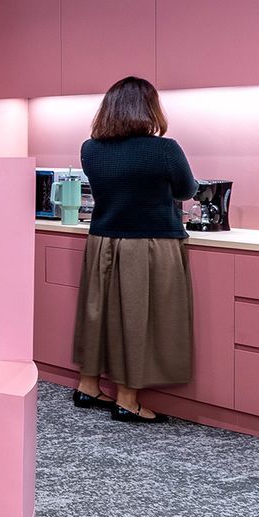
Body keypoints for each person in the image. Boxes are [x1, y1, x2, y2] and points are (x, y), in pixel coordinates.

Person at [72, 76, 197, 424]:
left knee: (97, 314)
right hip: (149, 243)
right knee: (139, 319)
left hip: (102, 242)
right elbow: (187, 190)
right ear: (150, 108)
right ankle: (127, 400)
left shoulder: (90, 149)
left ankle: (88, 385)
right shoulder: (164, 150)